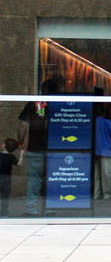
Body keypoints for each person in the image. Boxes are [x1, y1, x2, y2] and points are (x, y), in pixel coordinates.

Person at [18, 78, 59, 216]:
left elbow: (23, 125)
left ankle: (32, 209)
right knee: (51, 179)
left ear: (42, 90)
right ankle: (50, 208)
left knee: (34, 180)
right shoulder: (58, 103)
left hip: (34, 148)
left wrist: (20, 143)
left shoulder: (32, 104)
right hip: (53, 150)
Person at [94, 104, 111, 200]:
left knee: (95, 175)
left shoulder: (92, 123)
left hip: (94, 150)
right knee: (106, 174)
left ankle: (96, 194)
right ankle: (107, 194)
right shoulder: (108, 122)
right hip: (107, 150)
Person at [1, 138, 24, 217]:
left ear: (4, 146)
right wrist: (21, 154)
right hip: (7, 179)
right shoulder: (11, 157)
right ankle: (4, 213)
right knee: (5, 197)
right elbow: (19, 164)